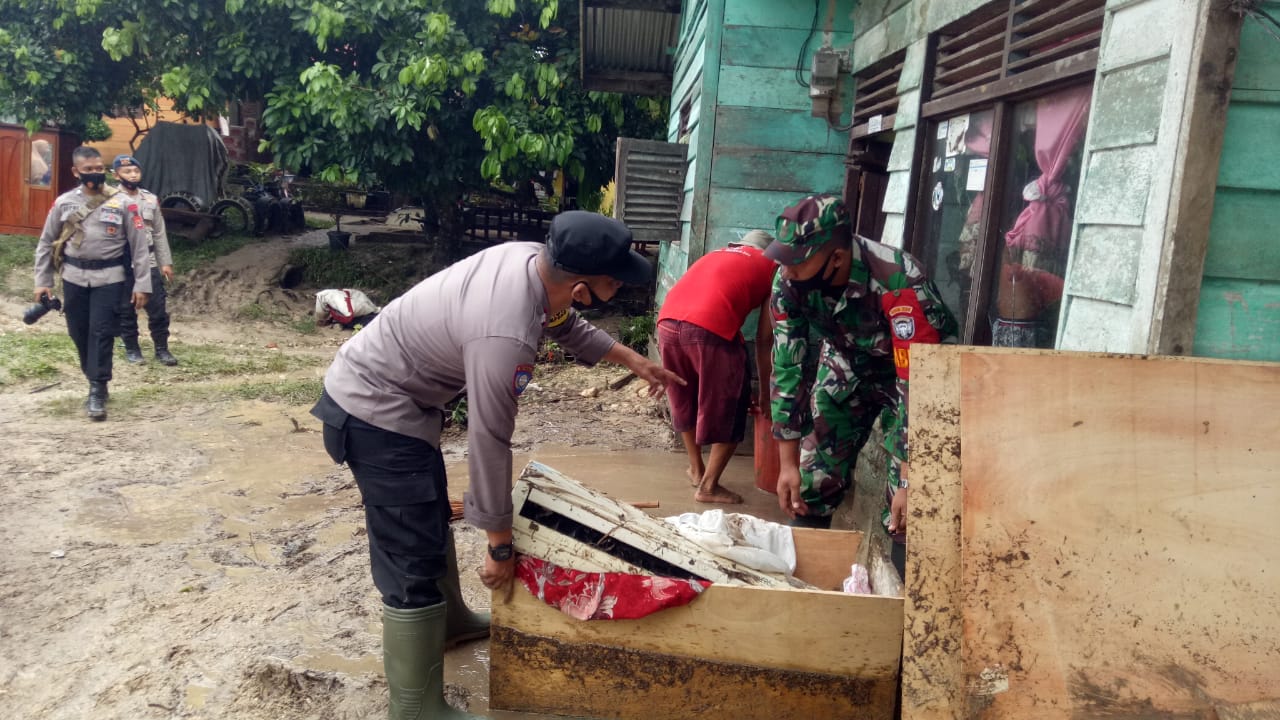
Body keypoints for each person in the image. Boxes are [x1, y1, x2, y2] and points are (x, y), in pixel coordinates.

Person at [310, 211, 683, 720]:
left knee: (428, 516)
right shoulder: (504, 335)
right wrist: (499, 545)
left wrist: (631, 360)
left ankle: (451, 622)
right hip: (373, 411)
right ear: (579, 287)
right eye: (613, 279)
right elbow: (488, 440)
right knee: (409, 552)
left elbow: (564, 325)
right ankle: (415, 708)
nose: (620, 283)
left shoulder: (533, 264)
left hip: (406, 406)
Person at [765, 194, 957, 576]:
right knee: (811, 481)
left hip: (910, 379)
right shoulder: (789, 282)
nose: (785, 273)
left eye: (796, 263)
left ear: (835, 259)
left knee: (910, 507)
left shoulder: (898, 281)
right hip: (845, 364)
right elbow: (787, 366)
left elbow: (918, 385)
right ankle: (805, 591)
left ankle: (901, 610)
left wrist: (908, 476)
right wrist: (787, 464)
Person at [656, 230, 778, 504]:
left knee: (682, 397)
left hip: (666, 322)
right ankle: (709, 487)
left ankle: (697, 469)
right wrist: (765, 393)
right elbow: (764, 339)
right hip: (710, 328)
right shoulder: (773, 268)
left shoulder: (715, 255)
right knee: (732, 406)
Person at [34, 146, 151, 421]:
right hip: (74, 277)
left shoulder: (124, 202)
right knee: (78, 331)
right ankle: (93, 375)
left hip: (109, 278)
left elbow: (140, 248)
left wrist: (142, 285)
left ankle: (97, 388)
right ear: (76, 171)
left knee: (100, 332)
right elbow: (45, 242)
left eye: (99, 169)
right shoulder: (64, 203)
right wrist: (43, 280)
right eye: (89, 170)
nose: (95, 174)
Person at [112, 155, 179, 366]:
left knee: (158, 307)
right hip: (121, 262)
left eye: (136, 171)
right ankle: (132, 349)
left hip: (148, 260)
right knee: (125, 309)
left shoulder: (150, 199)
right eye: (127, 172)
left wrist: (165, 262)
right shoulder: (109, 199)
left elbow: (159, 232)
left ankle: (162, 349)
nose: (133, 175)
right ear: (116, 175)